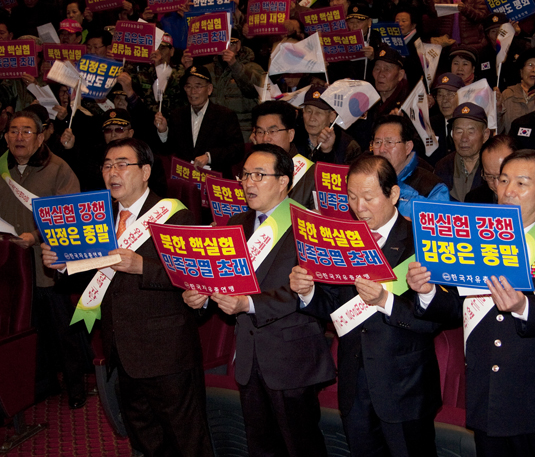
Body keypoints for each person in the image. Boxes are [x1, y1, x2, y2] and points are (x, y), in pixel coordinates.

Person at [408, 148, 535, 457]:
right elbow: (454, 308)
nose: (508, 191)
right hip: (487, 396)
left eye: (521, 183)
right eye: (503, 181)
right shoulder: (471, 240)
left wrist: (524, 307)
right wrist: (426, 291)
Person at [43, 138, 214, 456]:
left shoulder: (176, 217)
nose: (113, 172)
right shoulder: (96, 219)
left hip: (167, 353)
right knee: (145, 440)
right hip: (121, 351)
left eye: (122, 164)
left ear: (146, 171)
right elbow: (89, 275)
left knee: (187, 441)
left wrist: (142, 267)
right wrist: (61, 264)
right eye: (107, 166)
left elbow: (197, 283)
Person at [183, 143, 334, 457]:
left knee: (301, 446)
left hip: (291, 359)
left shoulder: (308, 225)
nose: (248, 183)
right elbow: (223, 281)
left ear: (283, 182)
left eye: (259, 175)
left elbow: (304, 292)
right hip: (249, 359)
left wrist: (246, 304)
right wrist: (203, 297)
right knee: (261, 446)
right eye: (245, 175)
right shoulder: (236, 223)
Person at [290, 155, 442, 457]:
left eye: (369, 198)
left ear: (393, 194)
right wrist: (306, 293)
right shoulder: (342, 239)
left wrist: (386, 301)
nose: (359, 207)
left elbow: (437, 319)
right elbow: (332, 305)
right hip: (355, 387)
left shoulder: (421, 241)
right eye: (352, 197)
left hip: (405, 388)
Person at [0, 111, 90, 408]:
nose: (19, 137)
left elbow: (71, 216)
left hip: (49, 266)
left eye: (27, 132)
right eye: (13, 131)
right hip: (12, 265)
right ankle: (43, 384)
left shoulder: (59, 169)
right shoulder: (2, 167)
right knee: (27, 328)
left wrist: (36, 237)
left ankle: (77, 387)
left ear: (41, 137)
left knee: (62, 330)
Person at [154, 66, 245, 179]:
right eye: (188, 86)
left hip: (214, 180)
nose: (193, 91)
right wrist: (163, 131)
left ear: (209, 89)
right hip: (186, 180)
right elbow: (167, 150)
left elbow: (237, 150)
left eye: (198, 86)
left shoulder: (225, 116)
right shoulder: (178, 115)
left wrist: (209, 156)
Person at [371, 115, 450, 216]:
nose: (382, 149)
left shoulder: (431, 188)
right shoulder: (363, 179)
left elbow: (438, 227)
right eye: (377, 142)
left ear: (408, 147)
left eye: (389, 142)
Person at [251, 100, 316, 209]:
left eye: (272, 131)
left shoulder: (310, 174)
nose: (265, 138)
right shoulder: (249, 169)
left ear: (290, 135)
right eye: (260, 132)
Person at [435, 102, 491, 201]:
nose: (464, 138)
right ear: (452, 134)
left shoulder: (492, 168)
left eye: (471, 132)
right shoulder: (443, 167)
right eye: (459, 131)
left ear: (485, 135)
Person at [294, 85, 362, 165]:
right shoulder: (293, 140)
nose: (312, 118)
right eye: (308, 111)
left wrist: (327, 152)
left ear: (332, 117)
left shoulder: (348, 147)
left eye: (318, 113)